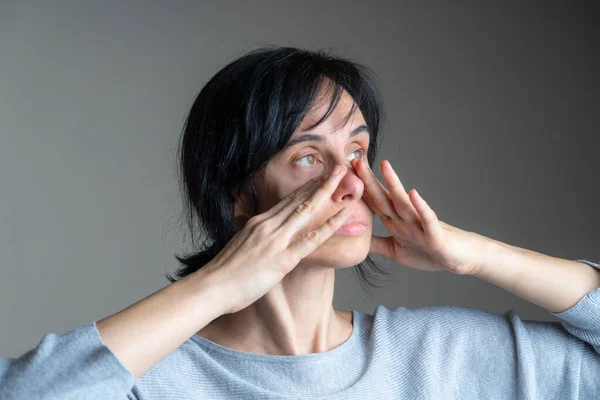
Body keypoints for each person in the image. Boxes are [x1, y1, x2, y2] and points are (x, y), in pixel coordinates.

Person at [1, 46, 599, 399]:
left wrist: (473, 256)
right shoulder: (152, 380)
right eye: (310, 157)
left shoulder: (444, 359)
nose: (349, 182)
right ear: (239, 193)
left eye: (359, 153)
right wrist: (215, 288)